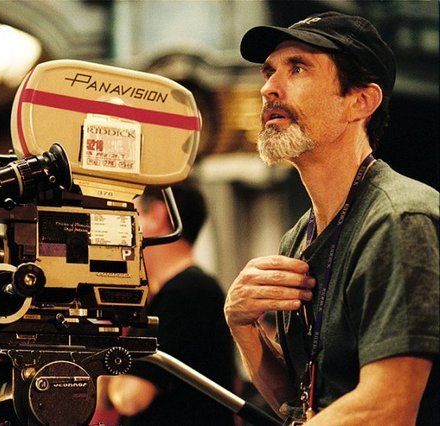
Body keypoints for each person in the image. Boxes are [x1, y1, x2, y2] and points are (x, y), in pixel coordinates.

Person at [224, 11, 439, 425]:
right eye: (269, 71)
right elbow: (300, 402)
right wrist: (242, 325)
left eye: (297, 68)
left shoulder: (398, 218)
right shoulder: (298, 239)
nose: (268, 88)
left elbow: (390, 406)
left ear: (360, 102)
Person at [98, 180, 236, 426]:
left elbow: (129, 397)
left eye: (131, 214)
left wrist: (106, 372)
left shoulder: (188, 293)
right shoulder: (171, 294)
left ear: (157, 215)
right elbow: (108, 397)